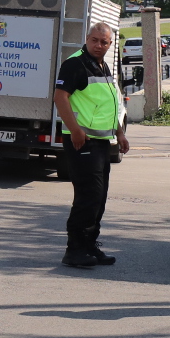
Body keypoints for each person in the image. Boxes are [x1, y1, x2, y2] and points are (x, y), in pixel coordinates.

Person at [53, 21, 131, 268]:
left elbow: (112, 103)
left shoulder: (102, 65)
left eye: (104, 42)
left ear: (110, 44)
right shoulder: (75, 64)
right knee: (88, 196)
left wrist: (120, 133)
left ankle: (89, 245)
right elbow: (60, 97)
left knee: (99, 196)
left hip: (100, 142)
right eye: (95, 40)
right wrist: (75, 130)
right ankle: (74, 250)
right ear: (87, 39)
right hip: (82, 140)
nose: (99, 45)